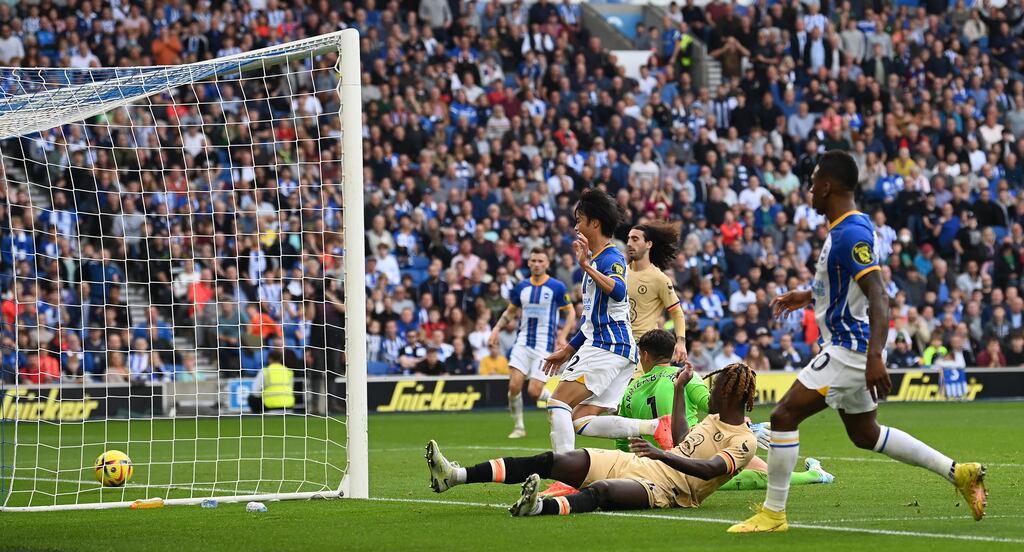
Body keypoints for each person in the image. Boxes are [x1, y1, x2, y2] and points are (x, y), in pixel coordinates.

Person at [729, 151, 987, 533]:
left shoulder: (850, 232)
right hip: (848, 345)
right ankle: (958, 473)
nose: (810, 190)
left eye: (814, 182)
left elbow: (878, 295)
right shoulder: (847, 227)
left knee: (784, 416)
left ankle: (773, 514)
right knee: (866, 433)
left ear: (828, 186)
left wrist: (875, 357)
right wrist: (807, 296)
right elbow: (845, 287)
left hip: (849, 349)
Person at [425, 361, 759, 516]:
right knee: (555, 461)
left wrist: (660, 456)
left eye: (716, 391)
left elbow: (708, 469)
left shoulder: (745, 441)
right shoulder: (714, 417)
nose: (710, 394)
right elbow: (686, 440)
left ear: (731, 397)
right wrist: (677, 389)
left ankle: (539, 507)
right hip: (639, 462)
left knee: (602, 492)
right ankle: (454, 476)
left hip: (670, 490)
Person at [541, 189, 672, 456]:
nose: (576, 226)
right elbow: (591, 319)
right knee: (580, 419)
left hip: (607, 345)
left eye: (580, 219)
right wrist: (568, 350)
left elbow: (620, 291)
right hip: (617, 347)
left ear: (595, 223)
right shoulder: (599, 260)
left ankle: (565, 476)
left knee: (557, 404)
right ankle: (655, 426)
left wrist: (587, 267)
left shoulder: (610, 258)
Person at [616, 330, 833, 490]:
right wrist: (741, 425)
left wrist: (628, 467)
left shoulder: (629, 390)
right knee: (766, 474)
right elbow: (712, 406)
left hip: (652, 461)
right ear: (671, 352)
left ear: (644, 355)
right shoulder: (684, 376)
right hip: (696, 446)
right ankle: (815, 475)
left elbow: (621, 436)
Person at [489, 248, 576, 438]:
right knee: (514, 386)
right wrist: (496, 329)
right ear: (528, 263)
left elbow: (570, 312)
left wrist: (562, 336)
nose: (536, 264)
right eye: (533, 260)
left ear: (547, 264)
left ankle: (556, 404)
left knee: (535, 391)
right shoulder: (521, 287)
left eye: (540, 261)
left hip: (543, 346)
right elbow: (510, 312)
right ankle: (519, 427)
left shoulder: (557, 287)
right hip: (522, 343)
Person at [625, 222, 687, 364]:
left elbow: (677, 312)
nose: (629, 243)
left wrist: (681, 342)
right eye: (628, 239)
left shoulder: (659, 279)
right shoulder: (620, 273)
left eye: (635, 239)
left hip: (644, 352)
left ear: (649, 244)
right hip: (618, 348)